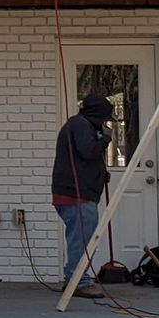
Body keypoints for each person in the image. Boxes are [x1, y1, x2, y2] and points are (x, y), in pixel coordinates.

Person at [51, 93, 116, 294]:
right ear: (97, 115)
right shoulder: (80, 125)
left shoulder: (80, 125)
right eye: (104, 119)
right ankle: (78, 282)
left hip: (77, 192)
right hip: (76, 194)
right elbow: (88, 151)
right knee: (82, 239)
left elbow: (84, 157)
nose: (105, 123)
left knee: (82, 237)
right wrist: (105, 139)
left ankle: (76, 277)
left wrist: (99, 174)